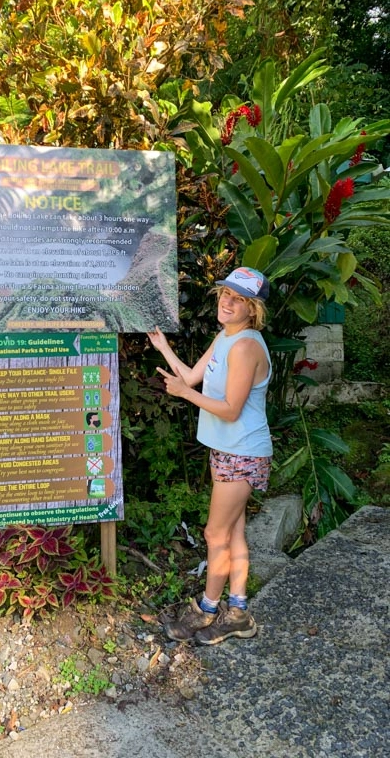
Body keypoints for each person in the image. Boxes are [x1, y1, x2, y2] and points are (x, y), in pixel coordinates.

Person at [147, 267, 272, 646]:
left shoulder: (247, 346)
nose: (227, 302)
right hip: (226, 450)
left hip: (243, 452)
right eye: (224, 295)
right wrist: (163, 346)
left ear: (253, 310)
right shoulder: (224, 338)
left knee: (214, 533)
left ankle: (207, 609)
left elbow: (231, 408)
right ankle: (238, 614)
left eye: (238, 299)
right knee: (232, 531)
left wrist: (183, 395)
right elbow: (191, 377)